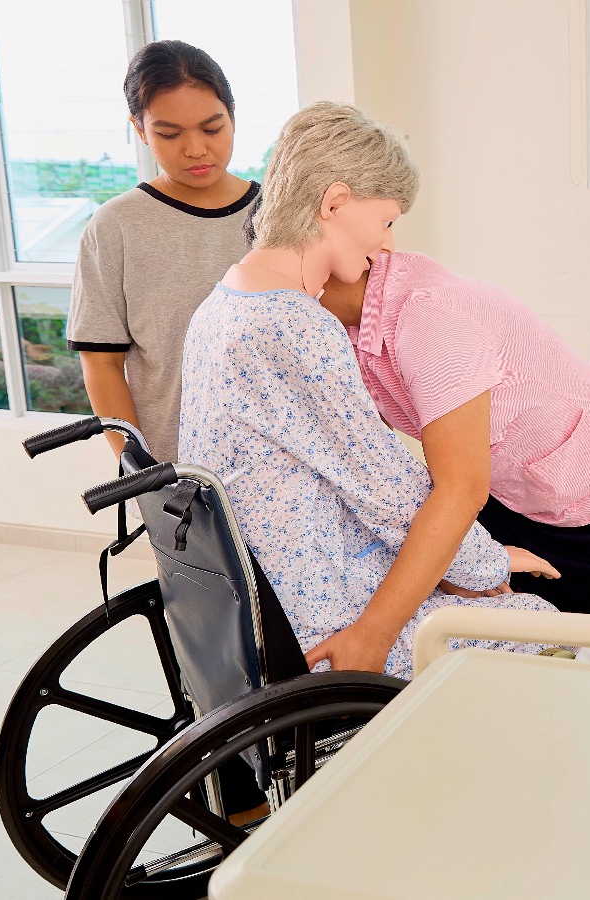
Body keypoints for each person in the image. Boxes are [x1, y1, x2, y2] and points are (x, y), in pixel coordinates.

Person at [178, 102, 561, 678]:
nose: (386, 245)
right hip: (320, 611)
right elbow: (385, 485)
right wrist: (484, 568)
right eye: (385, 221)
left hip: (262, 594)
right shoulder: (293, 323)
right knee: (546, 630)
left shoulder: (224, 303)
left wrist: (469, 560)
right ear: (334, 202)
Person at [311, 132, 590, 622]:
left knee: (587, 643)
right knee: (496, 623)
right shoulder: (332, 329)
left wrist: (373, 633)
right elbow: (379, 459)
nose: (389, 241)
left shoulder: (427, 316)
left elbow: (460, 490)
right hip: (503, 484)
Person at [68, 40, 259, 462]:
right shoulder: (116, 226)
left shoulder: (279, 215)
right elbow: (101, 365)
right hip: (176, 475)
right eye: (168, 133)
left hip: (288, 470)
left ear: (233, 117)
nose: (195, 149)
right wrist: (139, 471)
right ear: (139, 129)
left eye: (212, 128)